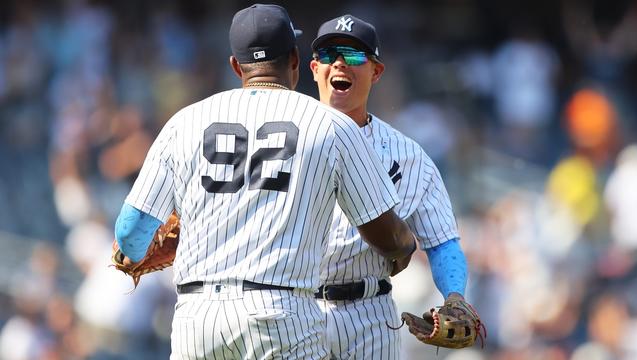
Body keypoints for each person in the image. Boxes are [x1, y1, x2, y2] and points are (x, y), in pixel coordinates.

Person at [113, 4, 417, 360]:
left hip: (198, 321)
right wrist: (404, 246)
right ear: (294, 60)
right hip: (279, 315)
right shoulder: (330, 126)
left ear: (235, 65)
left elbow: (130, 235)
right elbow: (385, 235)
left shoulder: (184, 122)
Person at [309, 15, 471, 359]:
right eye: (328, 55)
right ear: (313, 68)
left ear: (377, 72)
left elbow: (442, 242)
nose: (339, 62)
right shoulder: (284, 139)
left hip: (370, 315)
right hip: (294, 308)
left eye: (354, 56)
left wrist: (454, 295)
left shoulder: (409, 156)